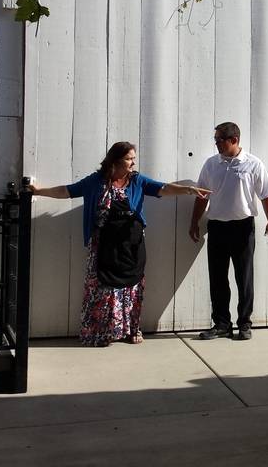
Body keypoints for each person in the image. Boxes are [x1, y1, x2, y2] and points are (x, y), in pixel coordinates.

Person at [30, 141, 210, 347]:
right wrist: (38, 191)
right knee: (103, 288)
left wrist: (187, 190)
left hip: (131, 245)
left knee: (132, 287)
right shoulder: (96, 181)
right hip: (103, 245)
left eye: (134, 158)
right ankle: (101, 332)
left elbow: (163, 188)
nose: (133, 163)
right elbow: (67, 191)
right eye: (129, 159)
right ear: (115, 161)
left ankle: (131, 329)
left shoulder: (137, 180)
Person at [190, 122, 268, 342]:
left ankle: (244, 323)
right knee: (217, 277)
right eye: (216, 139)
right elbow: (202, 195)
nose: (216, 143)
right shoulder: (211, 164)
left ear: (234, 140)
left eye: (220, 139)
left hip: (242, 227)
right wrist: (194, 222)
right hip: (217, 227)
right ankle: (221, 324)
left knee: (243, 277)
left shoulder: (253, 164)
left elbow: (266, 193)